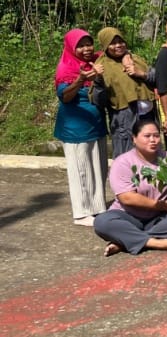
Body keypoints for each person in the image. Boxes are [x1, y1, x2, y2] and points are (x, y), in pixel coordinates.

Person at [93, 119, 167, 256]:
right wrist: (161, 205)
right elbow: (127, 198)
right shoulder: (123, 162)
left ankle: (124, 241)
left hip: (159, 218)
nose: (153, 140)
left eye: (156, 136)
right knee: (102, 222)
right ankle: (154, 242)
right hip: (128, 216)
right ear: (134, 139)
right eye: (147, 136)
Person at [54, 29, 109, 226]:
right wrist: (80, 79)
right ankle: (81, 213)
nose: (87, 49)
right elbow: (65, 97)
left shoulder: (97, 61)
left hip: (96, 125)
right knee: (81, 170)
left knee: (98, 168)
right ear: (71, 48)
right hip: (76, 128)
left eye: (89, 44)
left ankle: (97, 208)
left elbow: (114, 55)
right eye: (81, 46)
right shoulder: (66, 68)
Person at [92, 27, 158, 158]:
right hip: (125, 122)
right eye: (112, 43)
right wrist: (98, 79)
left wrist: (141, 74)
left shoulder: (135, 59)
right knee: (127, 157)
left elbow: (156, 79)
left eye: (120, 41)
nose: (118, 46)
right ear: (105, 45)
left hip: (148, 118)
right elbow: (98, 101)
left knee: (150, 156)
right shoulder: (102, 66)